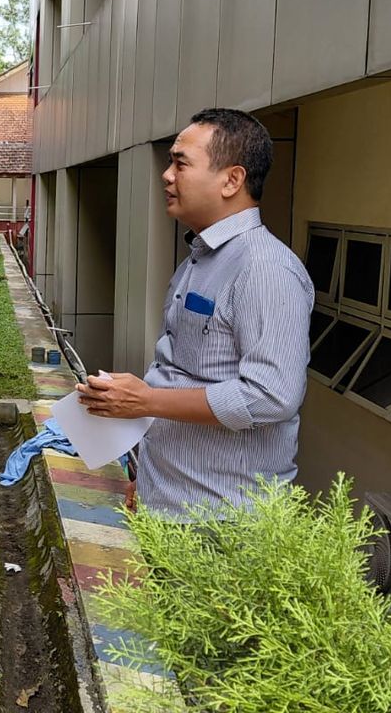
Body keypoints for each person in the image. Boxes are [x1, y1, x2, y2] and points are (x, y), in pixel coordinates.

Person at [76, 108, 313, 517]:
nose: (167, 175)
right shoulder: (199, 260)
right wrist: (149, 479)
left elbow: (271, 396)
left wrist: (147, 400)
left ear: (232, 180)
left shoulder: (265, 269)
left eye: (180, 163)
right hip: (173, 502)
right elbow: (181, 370)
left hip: (222, 519)